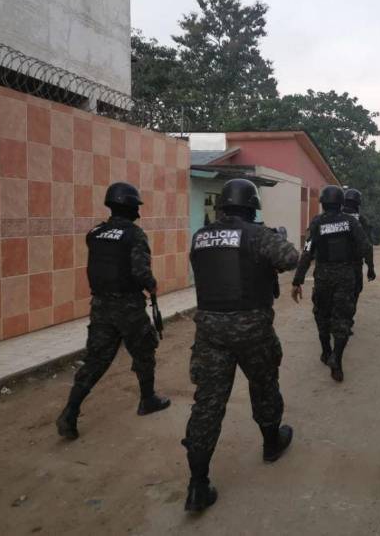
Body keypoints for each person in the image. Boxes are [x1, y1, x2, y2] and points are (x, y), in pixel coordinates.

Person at [183, 178, 300, 513]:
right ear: (251, 206)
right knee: (264, 386)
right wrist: (277, 237)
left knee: (207, 404)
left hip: (210, 330)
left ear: (221, 206)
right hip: (251, 328)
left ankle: (197, 484)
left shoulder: (201, 236)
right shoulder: (256, 234)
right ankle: (271, 443)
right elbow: (290, 258)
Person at [56, 182, 170, 440]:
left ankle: (70, 412)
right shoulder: (135, 234)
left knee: (95, 360)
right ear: (131, 207)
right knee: (144, 350)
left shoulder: (94, 233)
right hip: (128, 306)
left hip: (100, 307)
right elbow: (140, 272)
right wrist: (151, 286)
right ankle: (148, 399)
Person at [292, 185, 371, 382]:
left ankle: (326, 352)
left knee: (322, 315)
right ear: (341, 203)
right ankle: (337, 358)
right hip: (345, 275)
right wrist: (369, 265)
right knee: (342, 319)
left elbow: (308, 252)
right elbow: (365, 246)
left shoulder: (317, 223)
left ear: (323, 203)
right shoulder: (350, 222)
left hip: (323, 277)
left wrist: (297, 280)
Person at [342, 188, 376, 307]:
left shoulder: (327, 218)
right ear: (358, 204)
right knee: (353, 294)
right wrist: (370, 267)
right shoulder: (362, 221)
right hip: (354, 266)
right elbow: (367, 246)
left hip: (327, 266)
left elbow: (308, 245)